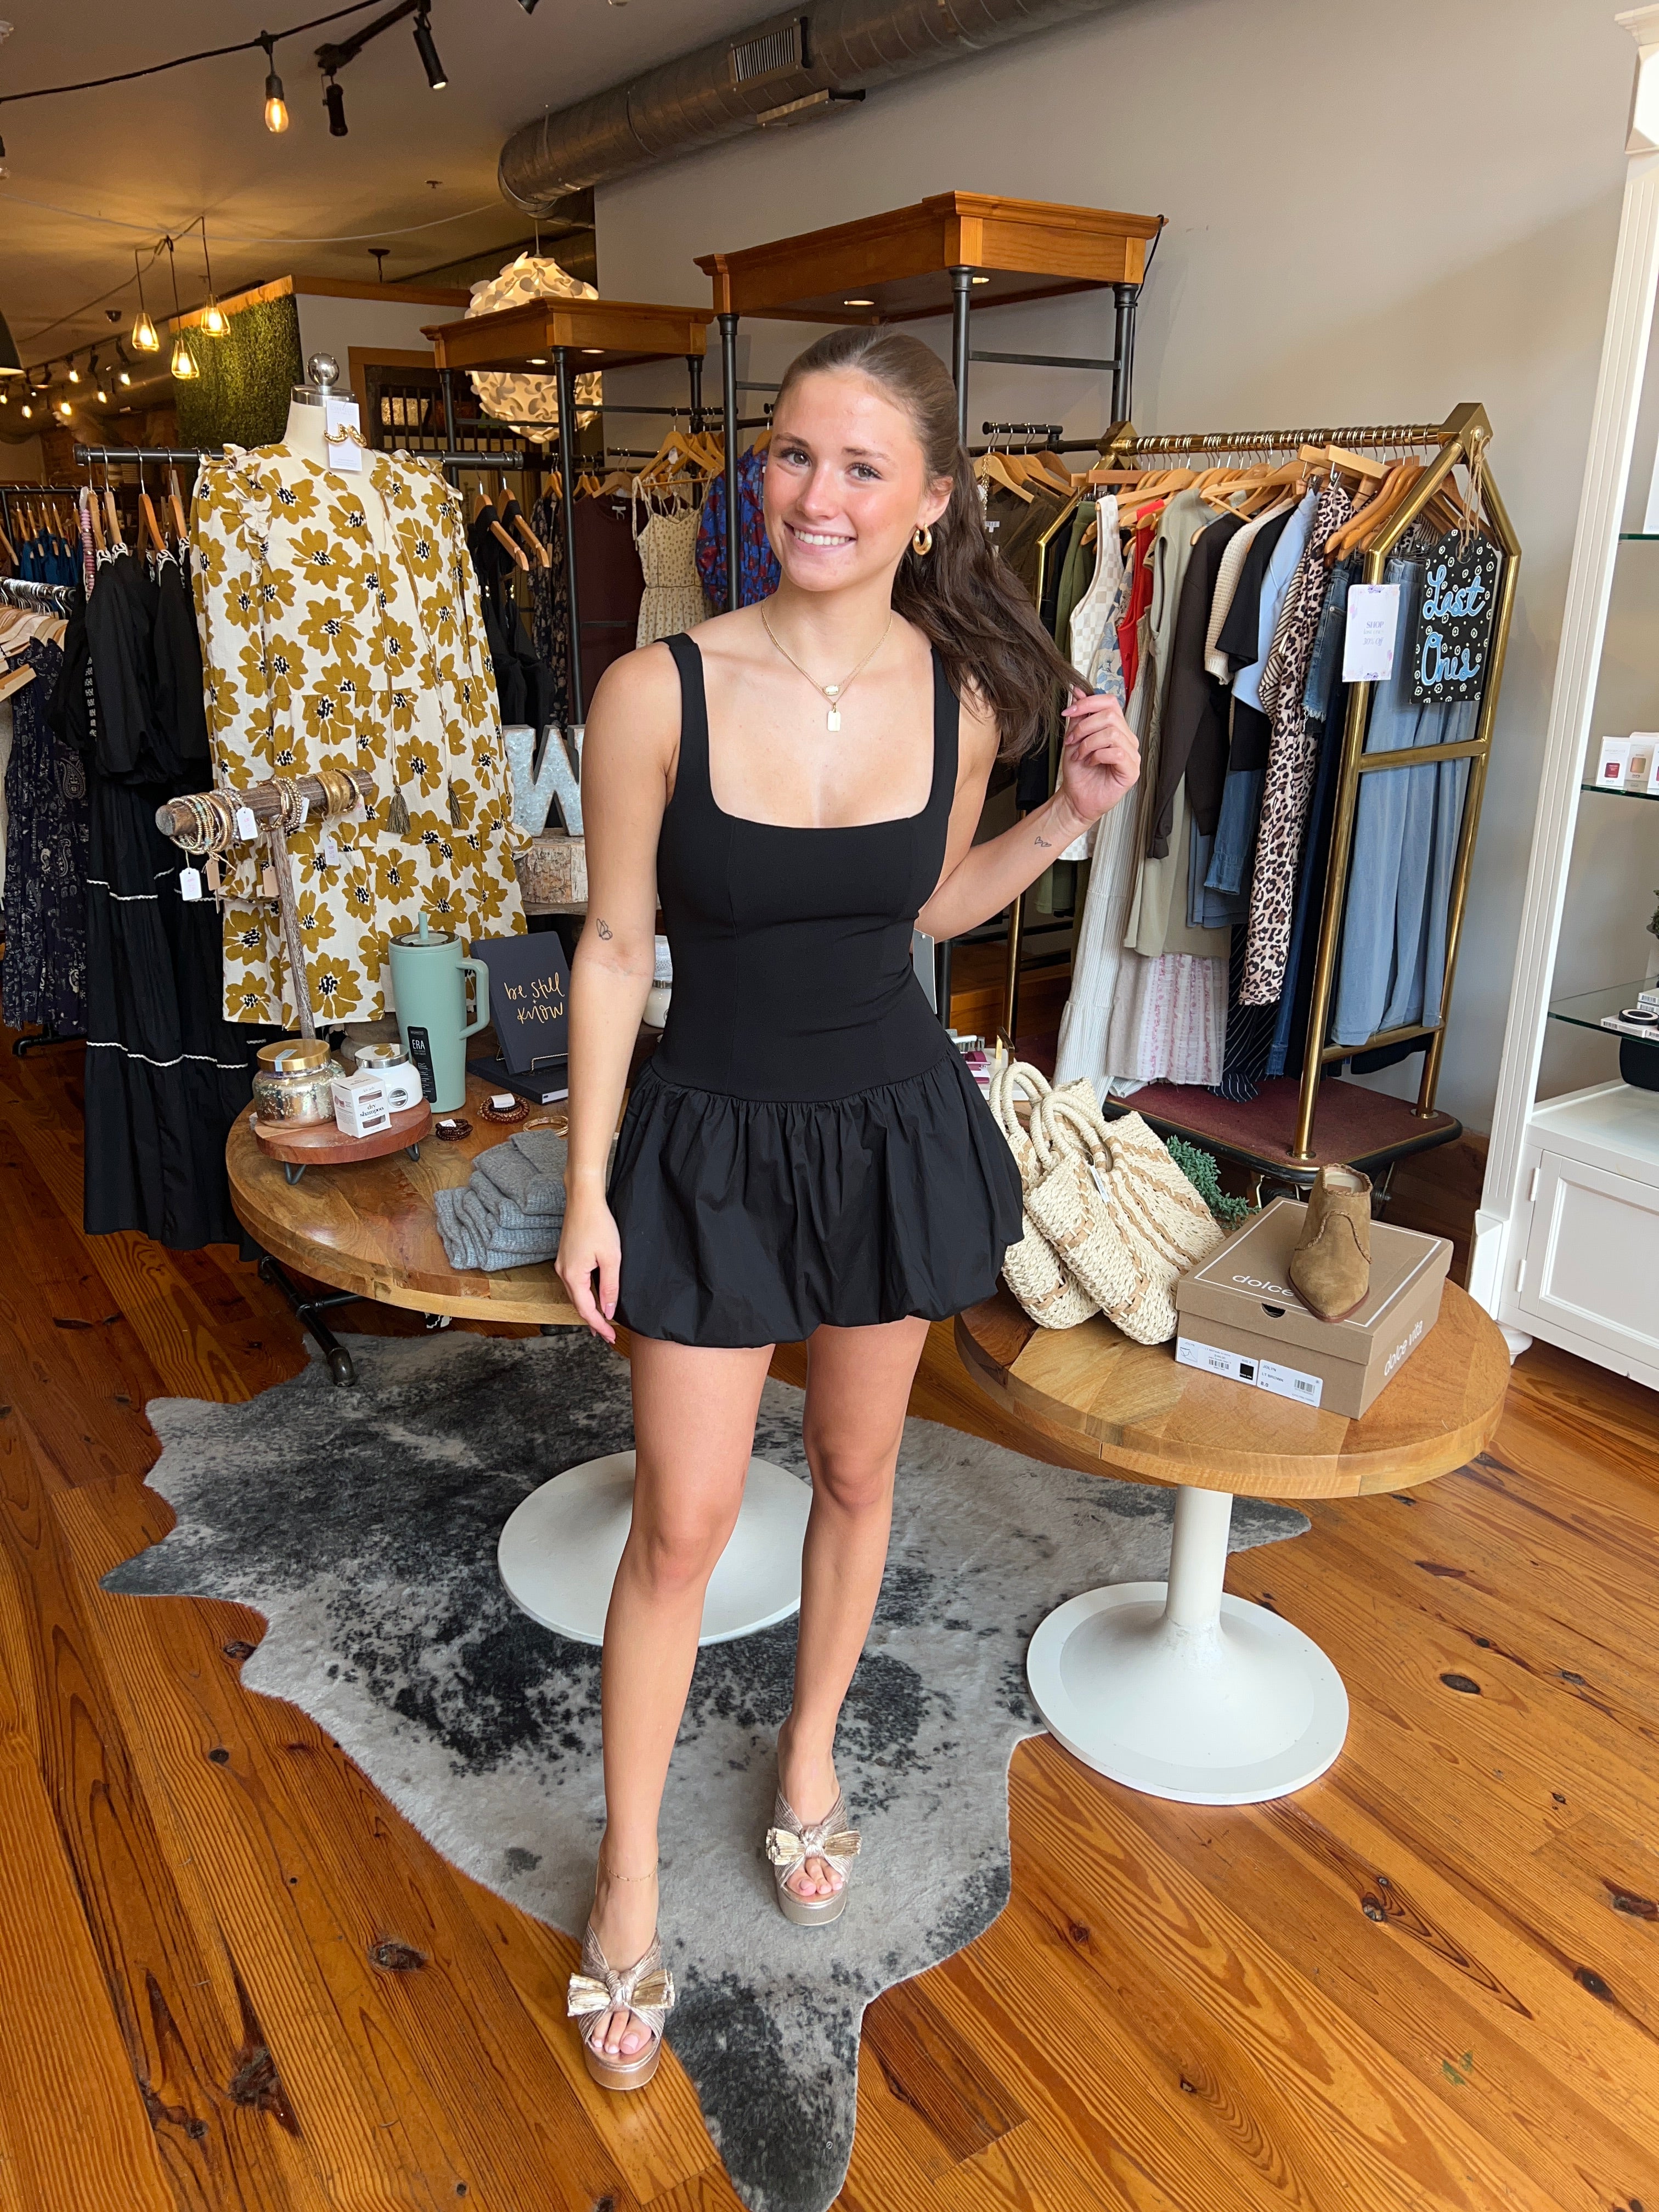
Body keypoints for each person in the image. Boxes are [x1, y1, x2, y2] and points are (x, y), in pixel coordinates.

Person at [555, 325, 1139, 2091]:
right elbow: (613, 944)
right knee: (681, 1525)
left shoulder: (965, 701)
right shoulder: (657, 689)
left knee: (862, 1472)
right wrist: (587, 1188)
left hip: (889, 1123)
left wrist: (1064, 819)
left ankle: (808, 1753)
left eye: (862, 465)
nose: (817, 493)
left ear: (931, 501)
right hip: (709, 1142)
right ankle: (630, 1871)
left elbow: (924, 913)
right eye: (794, 455)